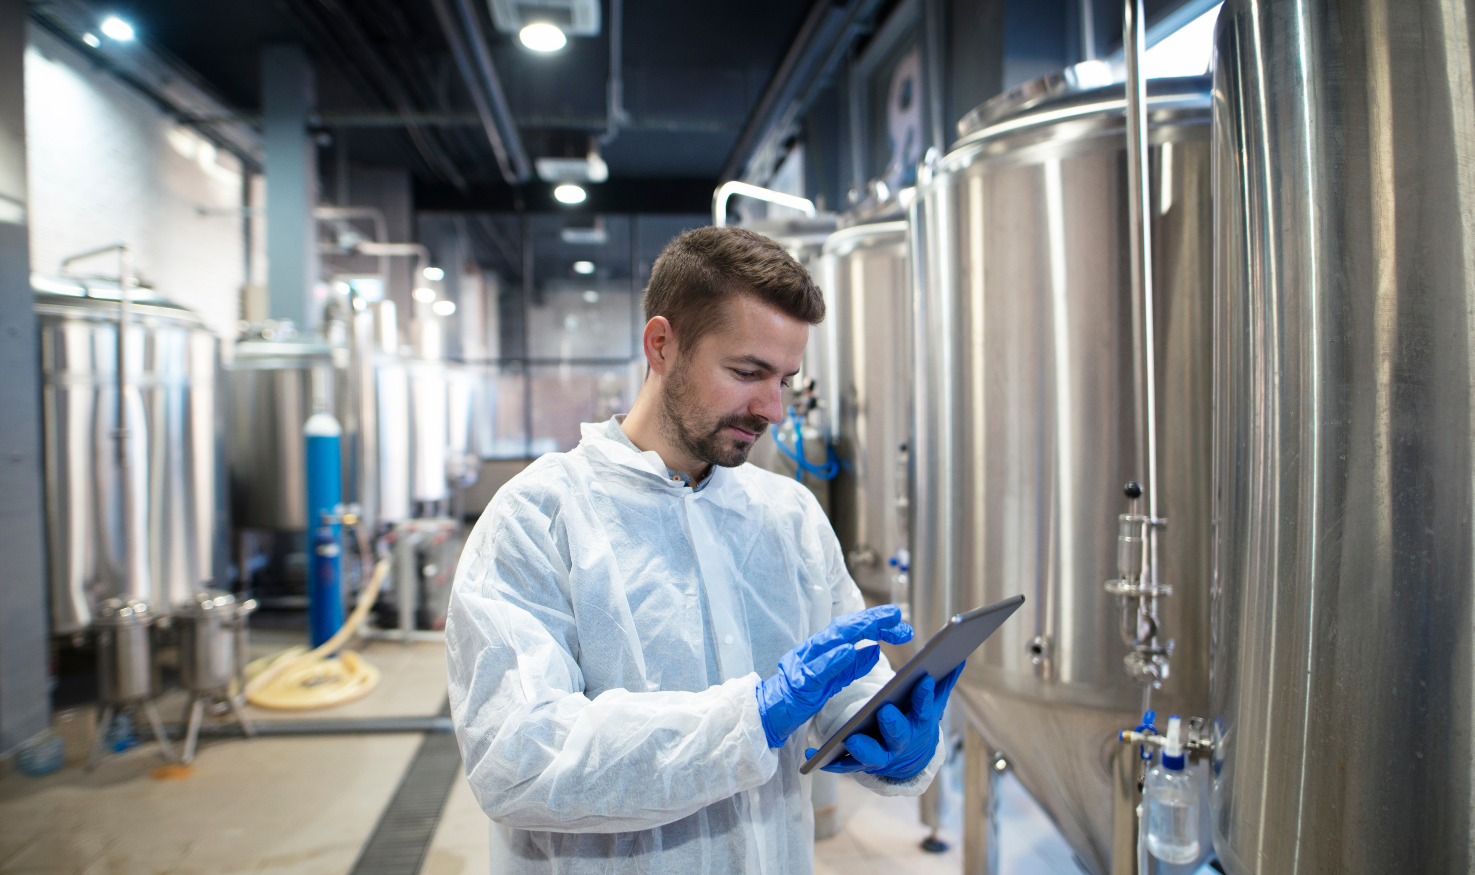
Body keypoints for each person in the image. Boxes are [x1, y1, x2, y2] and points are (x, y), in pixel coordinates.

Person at [445, 226, 962, 874]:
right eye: (747, 372)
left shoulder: (789, 517)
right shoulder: (537, 518)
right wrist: (752, 717)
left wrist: (892, 730)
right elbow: (518, 758)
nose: (771, 407)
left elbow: (839, 695)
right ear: (661, 345)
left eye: (784, 378)